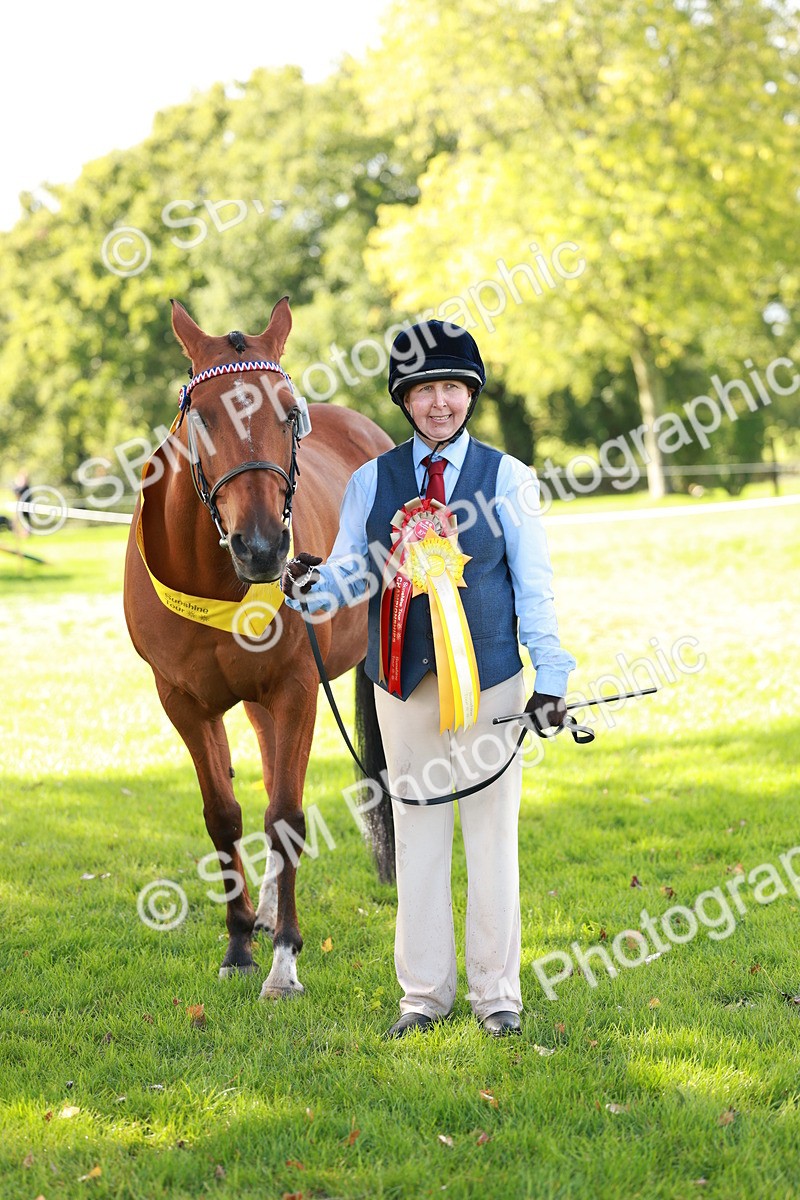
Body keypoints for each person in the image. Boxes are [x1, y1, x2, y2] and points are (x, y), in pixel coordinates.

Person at [281, 320, 575, 1038]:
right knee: (416, 834)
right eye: (424, 391)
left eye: (452, 387)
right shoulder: (369, 482)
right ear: (404, 400)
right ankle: (423, 997)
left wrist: (552, 676)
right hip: (400, 683)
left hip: (495, 681)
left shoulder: (508, 478)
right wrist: (309, 588)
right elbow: (350, 573)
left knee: (490, 835)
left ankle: (496, 994)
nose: (439, 402)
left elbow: (535, 587)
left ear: (468, 394)